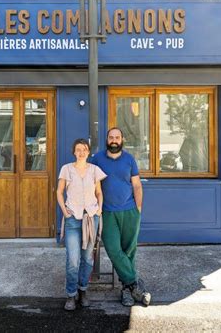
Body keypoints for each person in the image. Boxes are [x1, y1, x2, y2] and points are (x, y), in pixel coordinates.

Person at [90, 127, 152, 307]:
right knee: (113, 249)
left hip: (130, 210)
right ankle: (136, 284)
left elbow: (137, 186)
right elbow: (91, 185)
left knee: (129, 250)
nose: (114, 140)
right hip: (107, 212)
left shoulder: (129, 159)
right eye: (111, 137)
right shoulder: (97, 159)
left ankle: (126, 290)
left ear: (122, 139)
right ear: (107, 139)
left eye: (117, 137)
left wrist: (138, 209)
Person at [57, 138, 107, 311]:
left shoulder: (94, 170)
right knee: (73, 259)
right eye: (78, 149)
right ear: (74, 152)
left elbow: (99, 192)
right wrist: (64, 211)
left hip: (91, 218)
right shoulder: (67, 169)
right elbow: (59, 192)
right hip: (73, 219)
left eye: (84, 149)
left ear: (88, 152)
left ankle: (83, 290)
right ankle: (71, 295)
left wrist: (99, 210)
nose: (81, 152)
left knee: (87, 258)